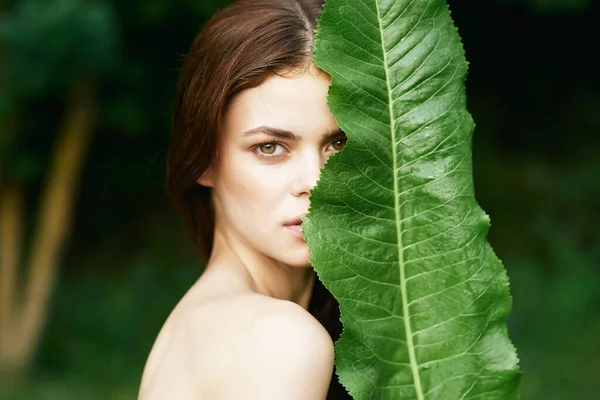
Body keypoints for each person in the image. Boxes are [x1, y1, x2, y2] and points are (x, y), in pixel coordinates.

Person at [138, 0, 351, 398]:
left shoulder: (201, 323)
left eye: (337, 143)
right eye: (270, 147)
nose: (316, 181)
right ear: (203, 159)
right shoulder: (281, 341)